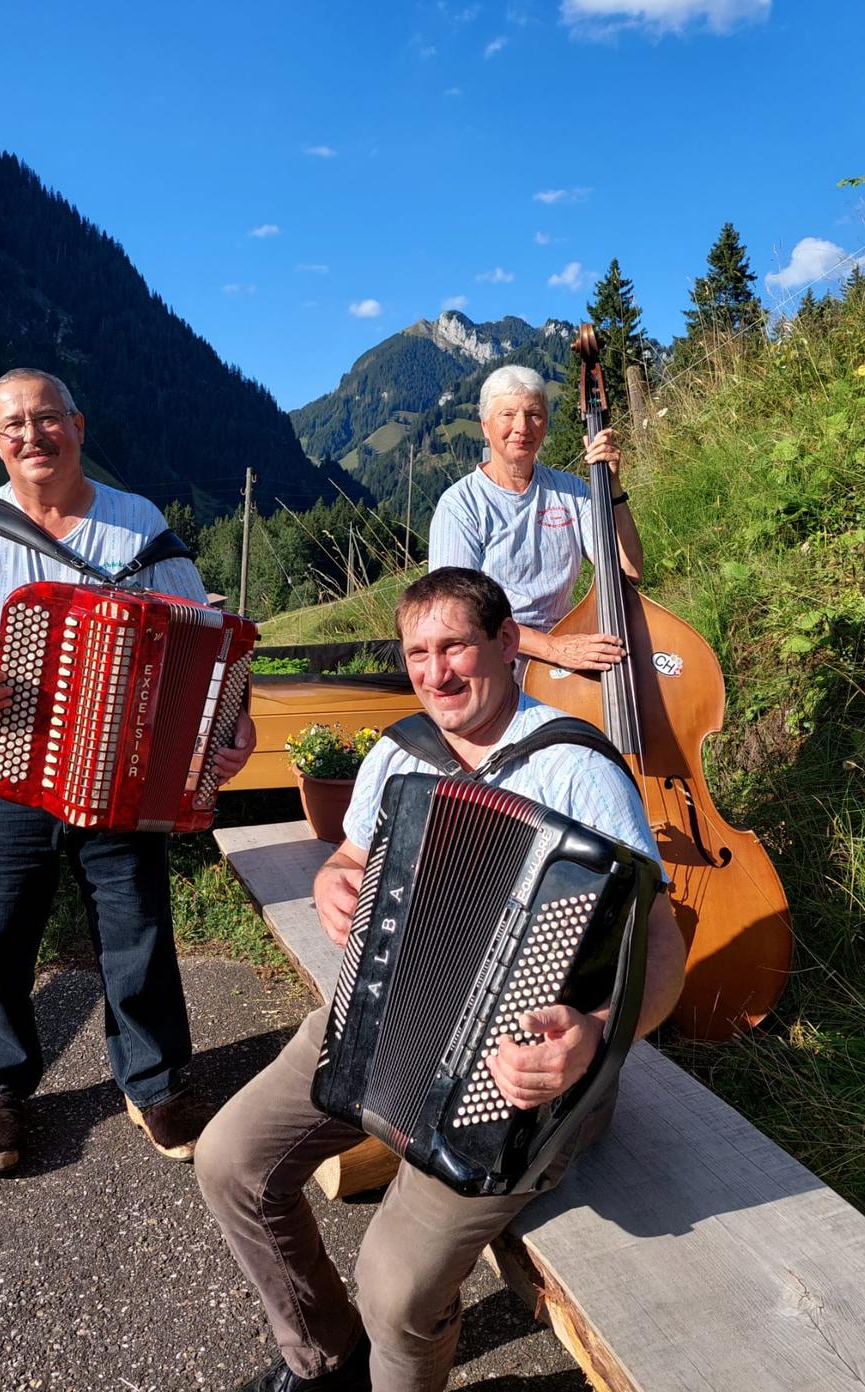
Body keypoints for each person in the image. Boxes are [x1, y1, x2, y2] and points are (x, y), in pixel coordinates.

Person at [195, 567, 685, 1392]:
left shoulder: (576, 771)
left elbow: (663, 950)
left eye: (456, 644)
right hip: (380, 1016)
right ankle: (326, 1357)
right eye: (418, 652)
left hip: (518, 1073)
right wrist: (332, 880)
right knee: (228, 1161)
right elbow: (351, 855)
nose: (436, 670)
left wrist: (596, 1035)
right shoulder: (400, 752)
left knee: (395, 1291)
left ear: (505, 644)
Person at [0, 368, 255, 1176]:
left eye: (46, 419)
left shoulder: (140, 526)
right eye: (13, 426)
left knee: (136, 928)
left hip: (121, 777)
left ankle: (154, 1081)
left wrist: (236, 722)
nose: (31, 436)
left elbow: (211, 639)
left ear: (78, 427)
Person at [427, 364, 642, 678]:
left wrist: (612, 487)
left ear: (546, 424)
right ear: (485, 425)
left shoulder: (571, 490)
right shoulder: (460, 505)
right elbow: (456, 611)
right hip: (497, 661)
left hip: (567, 652)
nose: (522, 427)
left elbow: (629, 571)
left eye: (533, 414)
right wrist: (552, 648)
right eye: (507, 415)